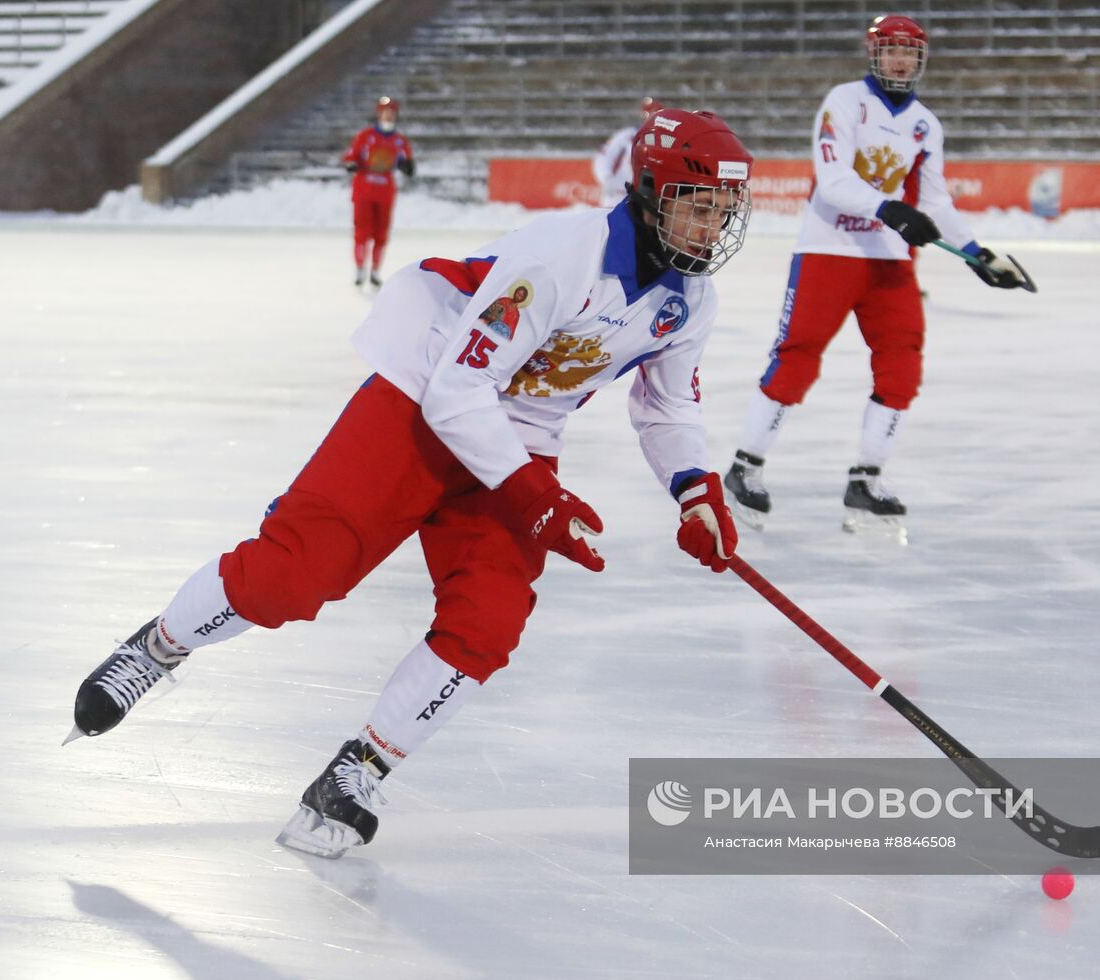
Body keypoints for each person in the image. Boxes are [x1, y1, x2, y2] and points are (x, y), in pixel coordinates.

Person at [68, 108, 754, 859]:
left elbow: (668, 407)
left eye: (723, 210)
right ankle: (157, 647)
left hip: (518, 437)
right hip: (422, 396)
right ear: (652, 194)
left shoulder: (689, 300)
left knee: (490, 618)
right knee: (294, 577)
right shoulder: (563, 255)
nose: (711, 227)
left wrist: (696, 492)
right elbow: (458, 393)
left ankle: (356, 771)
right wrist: (533, 497)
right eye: (698, 206)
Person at [723, 14, 1028, 535]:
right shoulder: (844, 101)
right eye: (891, 50)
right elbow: (834, 178)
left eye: (909, 52)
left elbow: (934, 202)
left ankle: (866, 478)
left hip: (888, 259)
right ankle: (745, 466)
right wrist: (889, 208)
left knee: (903, 362)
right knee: (798, 354)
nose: (900, 60)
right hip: (829, 249)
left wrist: (979, 254)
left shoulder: (926, 124)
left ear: (920, 60)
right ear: (875, 54)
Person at [344, 95, 415, 288]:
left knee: (381, 232)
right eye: (385, 112)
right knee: (362, 230)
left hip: (385, 190)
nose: (388, 116)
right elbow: (352, 155)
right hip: (364, 188)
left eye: (391, 113)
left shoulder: (399, 141)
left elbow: (406, 160)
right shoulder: (366, 136)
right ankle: (360, 268)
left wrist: (406, 166)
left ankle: (375, 270)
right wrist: (352, 164)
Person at [592, 96, 664, 205]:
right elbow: (604, 156)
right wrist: (606, 177)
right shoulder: (627, 135)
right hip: (618, 194)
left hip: (644, 197)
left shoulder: (663, 140)